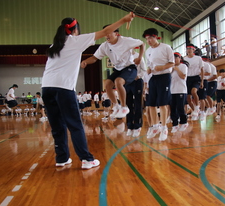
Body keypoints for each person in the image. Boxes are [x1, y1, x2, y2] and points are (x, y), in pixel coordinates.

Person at [41, 13, 135, 169]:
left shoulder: (54, 46)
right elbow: (105, 32)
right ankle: (86, 159)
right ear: (75, 29)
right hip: (63, 88)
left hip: (46, 88)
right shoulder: (75, 41)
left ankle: (62, 158)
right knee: (75, 125)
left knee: (57, 125)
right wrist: (124, 20)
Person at [81, 24, 144, 119]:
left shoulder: (125, 41)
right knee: (107, 84)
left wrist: (139, 57)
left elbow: (142, 43)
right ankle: (116, 106)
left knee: (118, 82)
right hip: (118, 69)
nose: (106, 35)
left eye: (109, 33)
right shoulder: (104, 46)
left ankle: (124, 107)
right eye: (105, 33)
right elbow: (94, 58)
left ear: (116, 34)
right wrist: (85, 61)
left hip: (129, 67)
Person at [143, 28, 175, 141]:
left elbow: (172, 63)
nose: (148, 41)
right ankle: (155, 126)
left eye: (150, 38)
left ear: (156, 37)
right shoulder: (148, 51)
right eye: (147, 39)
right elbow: (149, 65)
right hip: (153, 77)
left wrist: (162, 67)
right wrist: (148, 70)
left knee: (162, 103)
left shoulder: (166, 47)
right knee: (150, 104)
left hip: (164, 77)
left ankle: (164, 127)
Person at [125, 48, 146, 137]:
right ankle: (130, 126)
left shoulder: (138, 56)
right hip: (127, 82)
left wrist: (138, 76)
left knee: (137, 104)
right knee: (128, 104)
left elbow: (144, 69)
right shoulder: (124, 57)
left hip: (137, 81)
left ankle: (137, 126)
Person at [184, 44, 204, 120]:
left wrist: (202, 81)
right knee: (188, 98)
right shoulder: (184, 59)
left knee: (194, 92)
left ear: (193, 50)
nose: (188, 50)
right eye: (187, 48)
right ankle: (194, 110)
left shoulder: (198, 58)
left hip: (196, 77)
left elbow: (202, 70)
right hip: (187, 78)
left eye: (190, 48)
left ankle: (197, 106)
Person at [170, 52, 189, 133]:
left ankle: (184, 122)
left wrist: (177, 69)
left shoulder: (183, 66)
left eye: (176, 57)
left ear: (180, 58)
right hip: (172, 90)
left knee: (180, 107)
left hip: (181, 90)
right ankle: (175, 124)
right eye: (173, 58)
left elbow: (183, 76)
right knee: (173, 108)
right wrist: (172, 69)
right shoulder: (170, 68)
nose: (175, 59)